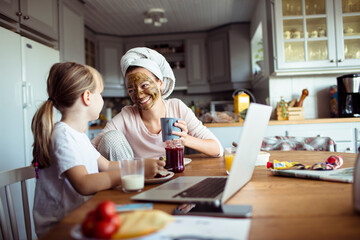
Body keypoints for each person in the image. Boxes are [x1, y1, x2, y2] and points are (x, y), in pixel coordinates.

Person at [31, 62, 164, 237]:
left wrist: (143, 165)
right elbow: (84, 184)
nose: (101, 98)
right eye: (99, 94)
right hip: (61, 228)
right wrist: (136, 171)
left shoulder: (78, 136)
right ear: (87, 97)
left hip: (82, 217)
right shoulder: (62, 136)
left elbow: (107, 166)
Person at [92, 47, 223, 160]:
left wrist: (186, 139)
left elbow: (217, 149)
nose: (139, 94)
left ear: (160, 83)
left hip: (175, 176)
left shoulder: (176, 107)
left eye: (144, 85)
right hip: (139, 178)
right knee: (111, 137)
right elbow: (92, 148)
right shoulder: (128, 115)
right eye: (131, 90)